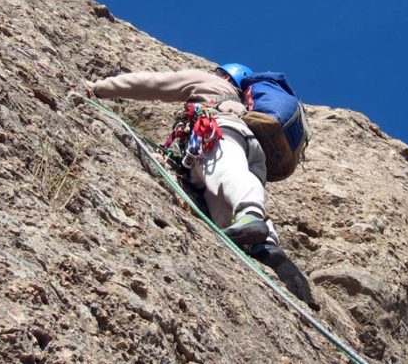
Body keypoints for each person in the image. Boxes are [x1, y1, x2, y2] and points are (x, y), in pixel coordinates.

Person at [86, 63, 287, 268]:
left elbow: (155, 83)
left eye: (218, 72)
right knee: (220, 198)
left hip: (220, 133)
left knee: (227, 174)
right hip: (253, 149)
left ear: (226, 77)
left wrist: (99, 88)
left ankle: (250, 215)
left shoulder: (210, 82)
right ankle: (264, 244)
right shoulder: (243, 105)